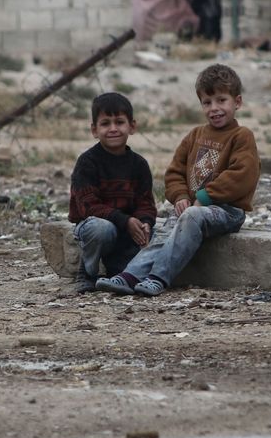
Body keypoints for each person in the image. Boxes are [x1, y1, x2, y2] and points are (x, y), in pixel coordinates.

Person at [95, 64, 259, 297]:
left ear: (237, 102)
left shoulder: (242, 137)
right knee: (165, 231)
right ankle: (130, 275)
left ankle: (159, 277)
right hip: (194, 209)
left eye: (222, 100)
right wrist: (181, 196)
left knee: (191, 215)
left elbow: (242, 175)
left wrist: (204, 197)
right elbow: (174, 172)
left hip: (227, 210)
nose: (215, 108)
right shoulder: (195, 135)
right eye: (207, 102)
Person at [67, 92, 158, 293]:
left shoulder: (139, 164)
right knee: (102, 229)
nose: (113, 129)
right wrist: (124, 221)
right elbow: (88, 206)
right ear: (94, 130)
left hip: (127, 230)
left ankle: (121, 274)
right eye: (105, 123)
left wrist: (145, 223)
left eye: (119, 122)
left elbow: (146, 203)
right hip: (95, 226)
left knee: (161, 234)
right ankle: (88, 271)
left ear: (132, 126)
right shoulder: (88, 162)